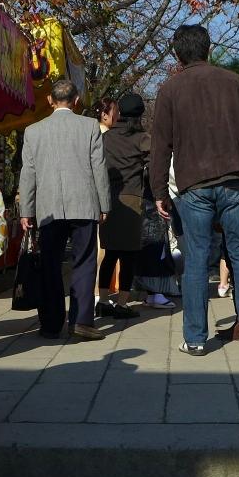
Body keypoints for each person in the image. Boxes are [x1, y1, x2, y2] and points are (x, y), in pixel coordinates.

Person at [150, 24, 239, 357]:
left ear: (177, 54)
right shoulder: (235, 83)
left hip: (193, 186)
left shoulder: (169, 89)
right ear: (209, 48)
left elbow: (160, 146)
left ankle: (195, 338)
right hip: (235, 181)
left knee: (196, 261)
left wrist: (159, 190)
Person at [19, 79, 110, 341]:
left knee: (50, 265)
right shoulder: (90, 126)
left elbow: (29, 173)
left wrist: (27, 209)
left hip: (48, 209)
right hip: (84, 205)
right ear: (77, 99)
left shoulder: (34, 131)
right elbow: (98, 168)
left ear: (50, 100)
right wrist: (104, 204)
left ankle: (50, 323)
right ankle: (81, 321)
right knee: (83, 262)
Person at [97, 92, 148, 319]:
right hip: (132, 197)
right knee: (129, 256)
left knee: (110, 253)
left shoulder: (106, 138)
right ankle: (122, 303)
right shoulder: (142, 138)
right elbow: (155, 164)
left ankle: (104, 299)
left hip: (108, 199)